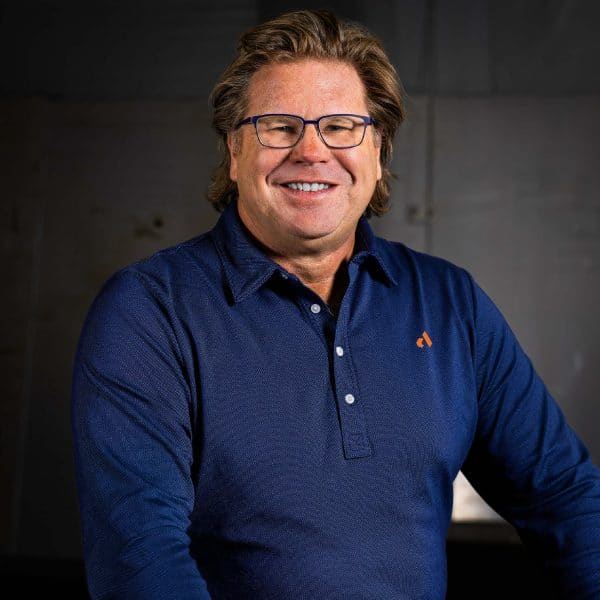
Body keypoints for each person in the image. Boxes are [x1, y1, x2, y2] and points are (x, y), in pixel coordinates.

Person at [71, 9, 600, 599]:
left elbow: (565, 495)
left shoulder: (451, 304)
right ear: (235, 151)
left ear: (378, 150)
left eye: (342, 126)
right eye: (279, 126)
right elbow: (139, 558)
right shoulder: (149, 311)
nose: (311, 151)